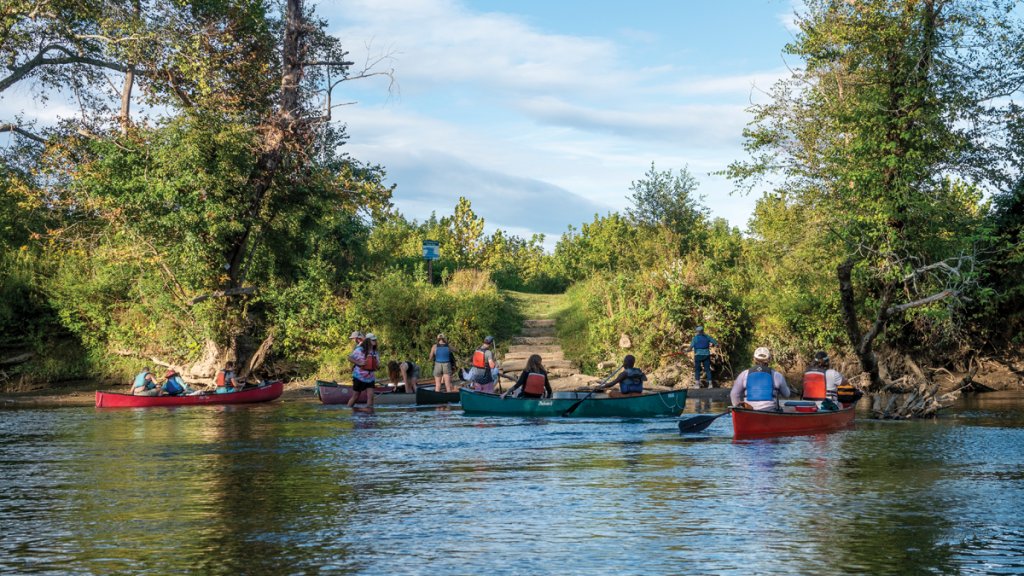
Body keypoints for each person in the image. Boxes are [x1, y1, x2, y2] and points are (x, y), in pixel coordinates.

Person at [730, 347, 791, 411]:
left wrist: (737, 408)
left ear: (754, 359)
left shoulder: (744, 374)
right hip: (770, 410)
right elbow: (787, 394)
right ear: (769, 359)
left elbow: (734, 394)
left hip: (748, 410)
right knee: (789, 409)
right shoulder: (777, 375)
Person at [348, 333, 380, 407]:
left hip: (370, 377)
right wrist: (359, 363)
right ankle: (348, 409)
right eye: (373, 340)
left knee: (371, 397)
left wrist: (376, 366)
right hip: (359, 376)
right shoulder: (359, 350)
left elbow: (377, 365)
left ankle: (369, 415)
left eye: (375, 339)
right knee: (356, 396)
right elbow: (349, 358)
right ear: (368, 341)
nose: (375, 341)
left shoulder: (375, 352)